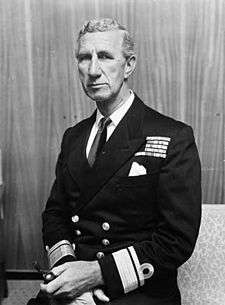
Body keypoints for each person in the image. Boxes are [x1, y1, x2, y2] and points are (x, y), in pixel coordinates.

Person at [28, 18, 201, 305]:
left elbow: (175, 240)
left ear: (129, 65)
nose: (93, 70)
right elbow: (55, 213)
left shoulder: (172, 136)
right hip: (74, 282)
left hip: (136, 290)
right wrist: (69, 269)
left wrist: (96, 274)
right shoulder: (74, 136)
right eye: (84, 58)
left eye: (105, 57)